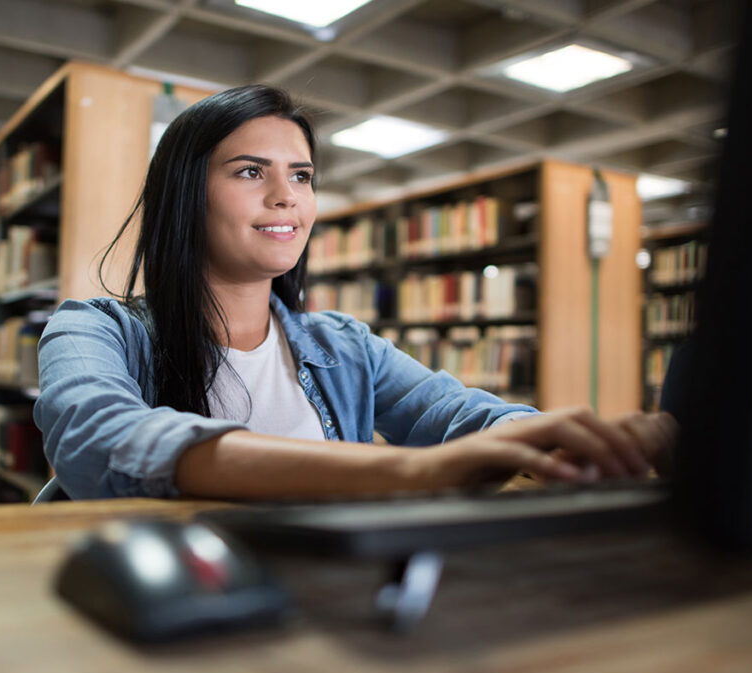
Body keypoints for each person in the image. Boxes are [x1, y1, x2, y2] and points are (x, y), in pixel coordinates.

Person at [34, 85, 676, 501]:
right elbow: (99, 439)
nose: (287, 196)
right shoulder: (93, 331)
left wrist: (553, 438)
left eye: (303, 175)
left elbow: (454, 414)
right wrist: (403, 471)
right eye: (250, 171)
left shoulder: (341, 345)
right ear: (185, 193)